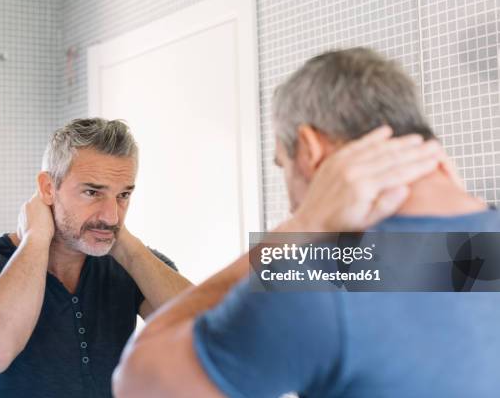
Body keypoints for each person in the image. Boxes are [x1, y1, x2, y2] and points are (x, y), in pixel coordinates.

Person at [113, 48, 500, 397]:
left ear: (311, 149)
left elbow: (140, 383)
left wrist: (302, 226)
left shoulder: (321, 278)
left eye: (283, 164)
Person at [0, 118, 193, 397]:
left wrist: (128, 248)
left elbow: (213, 335)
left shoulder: (133, 264)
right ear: (48, 188)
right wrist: (35, 238)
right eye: (92, 192)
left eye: (123, 195)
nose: (111, 215)